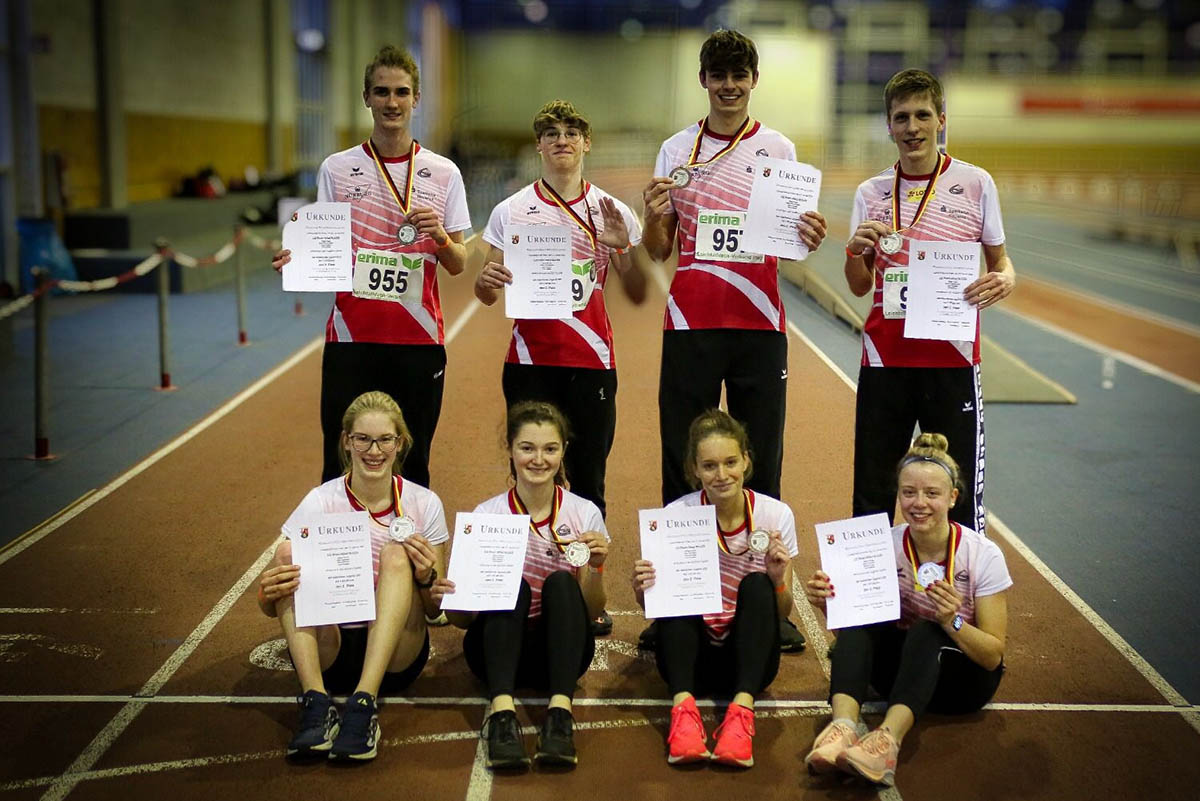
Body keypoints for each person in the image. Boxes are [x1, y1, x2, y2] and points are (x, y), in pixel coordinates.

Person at [639, 29, 818, 653]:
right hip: (690, 323)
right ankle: (673, 605)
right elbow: (659, 248)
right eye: (719, 74)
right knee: (681, 461)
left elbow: (792, 242)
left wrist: (807, 234)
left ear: (754, 79)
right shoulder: (675, 148)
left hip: (760, 327)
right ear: (704, 81)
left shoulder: (778, 147)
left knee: (761, 460)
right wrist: (653, 210)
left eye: (739, 74)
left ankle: (768, 604)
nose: (730, 85)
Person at [475, 100, 644, 638]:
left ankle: (586, 595)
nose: (562, 140)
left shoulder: (613, 211)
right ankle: (522, 583)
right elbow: (483, 288)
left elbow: (639, 291)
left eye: (572, 131)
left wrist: (623, 250)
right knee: (529, 476)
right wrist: (488, 284)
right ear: (539, 146)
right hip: (529, 362)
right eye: (551, 133)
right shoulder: (511, 210)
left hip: (591, 363)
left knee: (589, 480)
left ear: (586, 143)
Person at [273, 45, 471, 488]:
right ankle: (341, 552)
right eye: (381, 92)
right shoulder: (337, 168)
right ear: (366, 97)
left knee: (413, 467)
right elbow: (326, 250)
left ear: (416, 98)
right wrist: (298, 260)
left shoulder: (443, 173)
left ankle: (409, 556)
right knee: (340, 465)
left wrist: (439, 235)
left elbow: (458, 263)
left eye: (401, 92)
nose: (392, 102)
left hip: (418, 341)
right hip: (352, 341)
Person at [844, 68, 1016, 536]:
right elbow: (858, 285)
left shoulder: (976, 183)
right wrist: (858, 251)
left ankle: (957, 602)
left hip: (952, 360)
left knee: (958, 492)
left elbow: (1001, 262)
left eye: (922, 115)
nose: (912, 127)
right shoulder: (871, 192)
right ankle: (871, 603)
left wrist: (1004, 279)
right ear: (889, 126)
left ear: (941, 119)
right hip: (885, 361)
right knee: (872, 491)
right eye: (901, 118)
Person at [803, 433, 1011, 785]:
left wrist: (952, 621)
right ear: (898, 495)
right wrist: (831, 605)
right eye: (909, 492)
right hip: (900, 678)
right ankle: (841, 729)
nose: (919, 503)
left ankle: (886, 742)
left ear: (952, 498)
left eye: (932, 494)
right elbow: (856, 639)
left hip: (963, 683)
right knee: (863, 623)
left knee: (927, 629)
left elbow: (992, 656)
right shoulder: (882, 544)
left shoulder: (982, 554)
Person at [257, 391, 449, 761]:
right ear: (347, 442)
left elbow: (433, 609)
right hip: (335, 651)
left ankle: (364, 704)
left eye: (384, 440)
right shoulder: (320, 501)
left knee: (396, 555)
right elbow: (271, 602)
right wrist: (266, 593)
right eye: (363, 439)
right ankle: (316, 701)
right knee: (287, 553)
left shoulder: (424, 503)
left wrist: (426, 576)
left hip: (396, 656)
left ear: (400, 443)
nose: (373, 450)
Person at [431, 401, 607, 770]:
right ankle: (502, 716)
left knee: (561, 582)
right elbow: (463, 621)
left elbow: (591, 612)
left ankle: (559, 718)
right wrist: (451, 596)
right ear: (510, 449)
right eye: (527, 448)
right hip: (496, 652)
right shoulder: (486, 516)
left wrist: (598, 566)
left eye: (550, 448)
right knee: (514, 586)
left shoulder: (585, 513)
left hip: (561, 652)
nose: (538, 459)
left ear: (563, 452)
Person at [632, 410, 799, 768]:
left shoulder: (776, 516)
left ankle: (741, 713)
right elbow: (654, 608)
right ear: (694, 469)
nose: (721, 475)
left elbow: (781, 614)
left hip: (749, 661)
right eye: (709, 466)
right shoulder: (677, 515)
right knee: (678, 587)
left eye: (730, 462)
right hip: (691, 661)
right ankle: (683, 712)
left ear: (747, 461)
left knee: (757, 585)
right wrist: (642, 587)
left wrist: (778, 578)